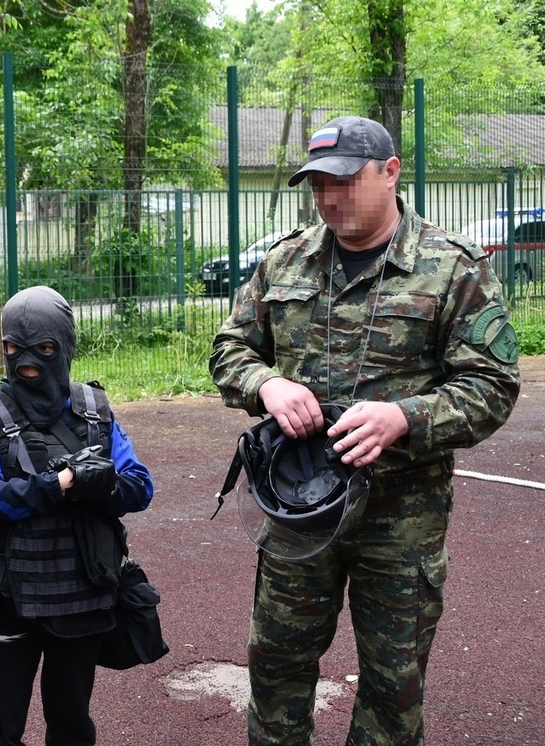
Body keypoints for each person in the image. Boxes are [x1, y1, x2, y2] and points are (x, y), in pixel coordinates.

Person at [209, 115, 521, 745]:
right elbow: (229, 349)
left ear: (390, 172)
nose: (329, 197)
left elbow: (493, 384)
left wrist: (406, 416)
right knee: (276, 669)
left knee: (392, 685)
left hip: (400, 521)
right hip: (299, 512)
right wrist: (265, 384)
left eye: (345, 181)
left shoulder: (450, 268)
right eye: (318, 183)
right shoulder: (286, 259)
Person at [0, 285, 154, 746]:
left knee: (72, 723)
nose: (27, 365)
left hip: (81, 594)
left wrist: (102, 486)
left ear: (63, 347)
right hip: (10, 597)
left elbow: (140, 487)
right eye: (13, 350)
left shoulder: (95, 411)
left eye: (43, 350)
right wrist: (59, 484)